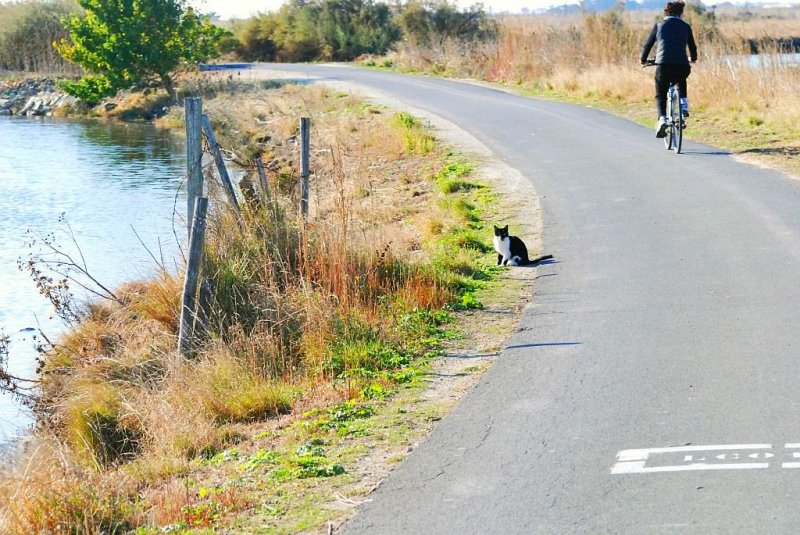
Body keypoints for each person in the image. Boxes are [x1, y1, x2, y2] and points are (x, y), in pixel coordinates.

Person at [640, 1, 698, 138]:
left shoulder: (659, 25)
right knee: (681, 77)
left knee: (660, 94)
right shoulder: (685, 26)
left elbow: (648, 45)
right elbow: (693, 47)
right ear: (681, 13)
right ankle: (683, 104)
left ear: (665, 12)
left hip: (663, 66)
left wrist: (643, 60)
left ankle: (662, 120)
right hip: (682, 65)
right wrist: (693, 59)